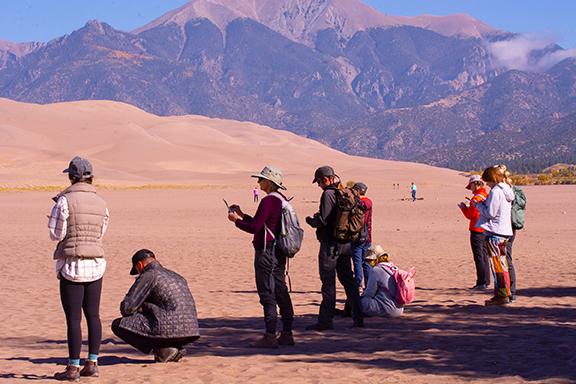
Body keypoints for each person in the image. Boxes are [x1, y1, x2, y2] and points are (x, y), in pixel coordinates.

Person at [49, 156, 109, 381]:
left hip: (72, 264)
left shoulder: (64, 201)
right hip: (96, 263)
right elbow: (100, 233)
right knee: (93, 315)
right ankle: (92, 362)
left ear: (71, 178)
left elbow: (56, 233)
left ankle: (73, 367)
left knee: (73, 319)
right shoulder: (102, 203)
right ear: (91, 178)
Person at [228, 166, 295, 348]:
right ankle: (287, 333)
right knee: (281, 290)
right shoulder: (280, 199)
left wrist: (236, 221)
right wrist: (242, 215)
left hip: (266, 252)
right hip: (278, 252)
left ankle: (270, 335)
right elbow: (262, 223)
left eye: (261, 179)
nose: (258, 182)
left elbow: (254, 228)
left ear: (269, 182)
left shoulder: (268, 201)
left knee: (267, 292)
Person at [111, 249, 200, 362]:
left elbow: (127, 308)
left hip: (169, 327)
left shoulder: (149, 275)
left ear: (140, 265)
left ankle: (162, 349)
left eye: (137, 270)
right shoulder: (176, 275)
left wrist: (142, 308)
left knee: (118, 325)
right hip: (191, 329)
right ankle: (174, 346)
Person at [305, 166, 364, 330]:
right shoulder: (344, 191)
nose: (318, 185)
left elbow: (323, 221)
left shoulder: (328, 194)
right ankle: (358, 318)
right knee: (349, 281)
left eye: (318, 181)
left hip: (330, 246)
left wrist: (310, 220)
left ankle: (325, 321)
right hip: (345, 243)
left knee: (328, 282)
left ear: (325, 179)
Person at [471, 166, 516, 307]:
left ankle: (502, 296)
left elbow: (490, 213)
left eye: (488, 181)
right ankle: (504, 293)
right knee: (502, 264)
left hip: (495, 232)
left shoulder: (496, 191)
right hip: (504, 232)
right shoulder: (506, 190)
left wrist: (478, 205)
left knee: (497, 265)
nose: (487, 184)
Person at [496, 165, 526, 304]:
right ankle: (508, 292)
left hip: (505, 229)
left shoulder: (503, 191)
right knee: (505, 258)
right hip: (511, 228)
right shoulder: (511, 190)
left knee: (505, 259)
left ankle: (508, 292)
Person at [458, 175, 490, 290]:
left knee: (479, 256)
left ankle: (481, 282)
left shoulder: (476, 198)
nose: (470, 188)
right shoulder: (486, 196)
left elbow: (470, 215)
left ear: (475, 184)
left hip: (476, 229)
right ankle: (486, 280)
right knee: (485, 255)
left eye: (471, 185)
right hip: (485, 230)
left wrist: (463, 208)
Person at [361, 245, 404, 318]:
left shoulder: (376, 270)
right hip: (399, 309)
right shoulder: (393, 267)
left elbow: (369, 293)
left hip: (385, 309)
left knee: (357, 301)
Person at [350, 182, 373, 289]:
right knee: (366, 262)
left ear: (358, 192)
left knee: (357, 263)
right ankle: (368, 285)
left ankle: (358, 285)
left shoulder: (356, 203)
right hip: (367, 237)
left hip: (356, 237)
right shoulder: (369, 202)